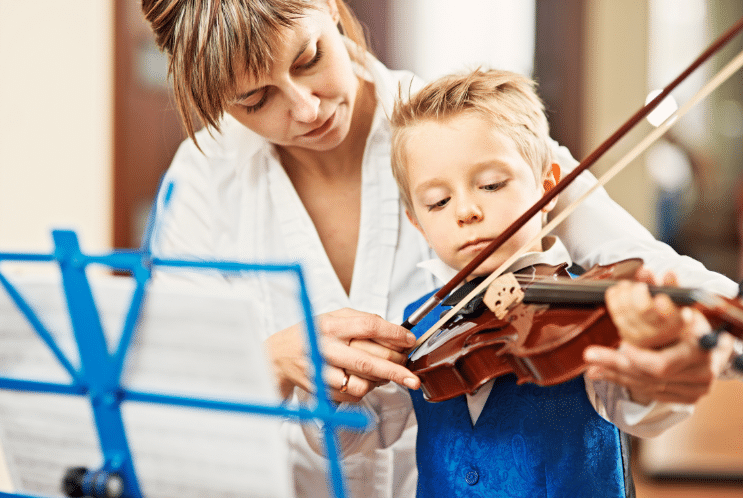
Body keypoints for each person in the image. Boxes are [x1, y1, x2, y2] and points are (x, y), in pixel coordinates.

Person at [139, 1, 741, 497]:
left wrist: (686, 343)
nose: (304, 107)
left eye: (309, 58)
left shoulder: (456, 130)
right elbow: (167, 379)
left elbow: (649, 263)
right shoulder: (203, 176)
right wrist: (264, 362)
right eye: (253, 100)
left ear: (328, 9)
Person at [385, 67, 724, 497]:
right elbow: (357, 432)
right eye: (438, 201)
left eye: (491, 184)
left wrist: (649, 370)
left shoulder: (585, 314)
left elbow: (643, 407)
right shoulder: (419, 326)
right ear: (417, 222)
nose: (465, 210)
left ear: (547, 189)